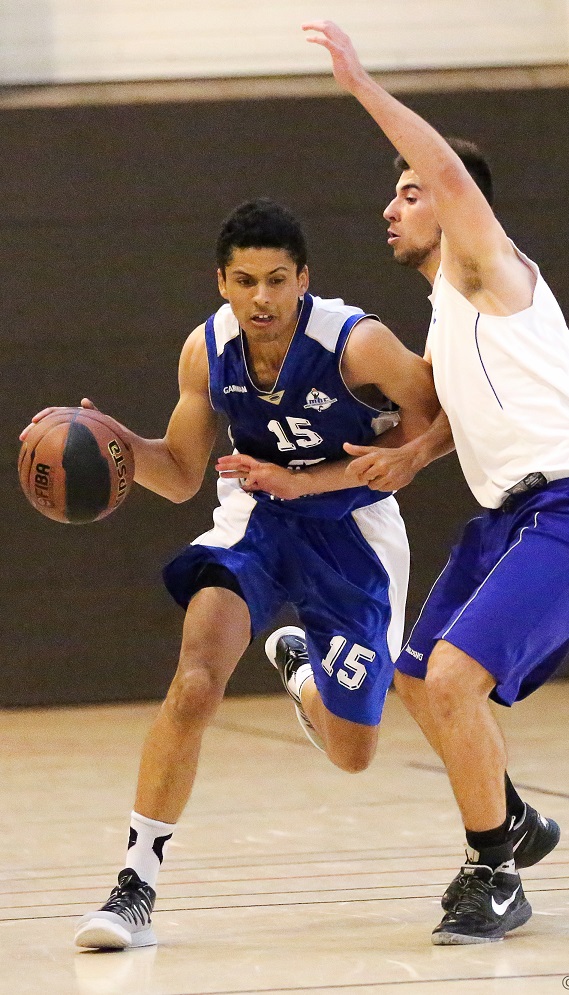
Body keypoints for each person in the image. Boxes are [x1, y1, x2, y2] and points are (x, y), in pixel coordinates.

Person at [21, 198, 439, 949]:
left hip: (353, 531)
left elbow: (437, 416)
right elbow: (181, 473)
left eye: (278, 280)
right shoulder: (205, 349)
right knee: (194, 681)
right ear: (221, 281)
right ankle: (134, 884)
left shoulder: (357, 343)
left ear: (303, 278)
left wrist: (340, 474)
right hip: (257, 524)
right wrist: (114, 439)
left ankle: (302, 668)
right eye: (245, 281)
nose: (262, 298)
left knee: (354, 750)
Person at [301, 20, 568, 945]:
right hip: (505, 517)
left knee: (452, 677)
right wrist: (412, 457)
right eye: (395, 192)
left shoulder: (491, 266)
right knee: (417, 679)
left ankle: (493, 871)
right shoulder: (454, 315)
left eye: (408, 192)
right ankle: (515, 821)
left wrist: (361, 85)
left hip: (562, 509)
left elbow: (451, 180)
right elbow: (461, 416)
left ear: (452, 213)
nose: (393, 205)